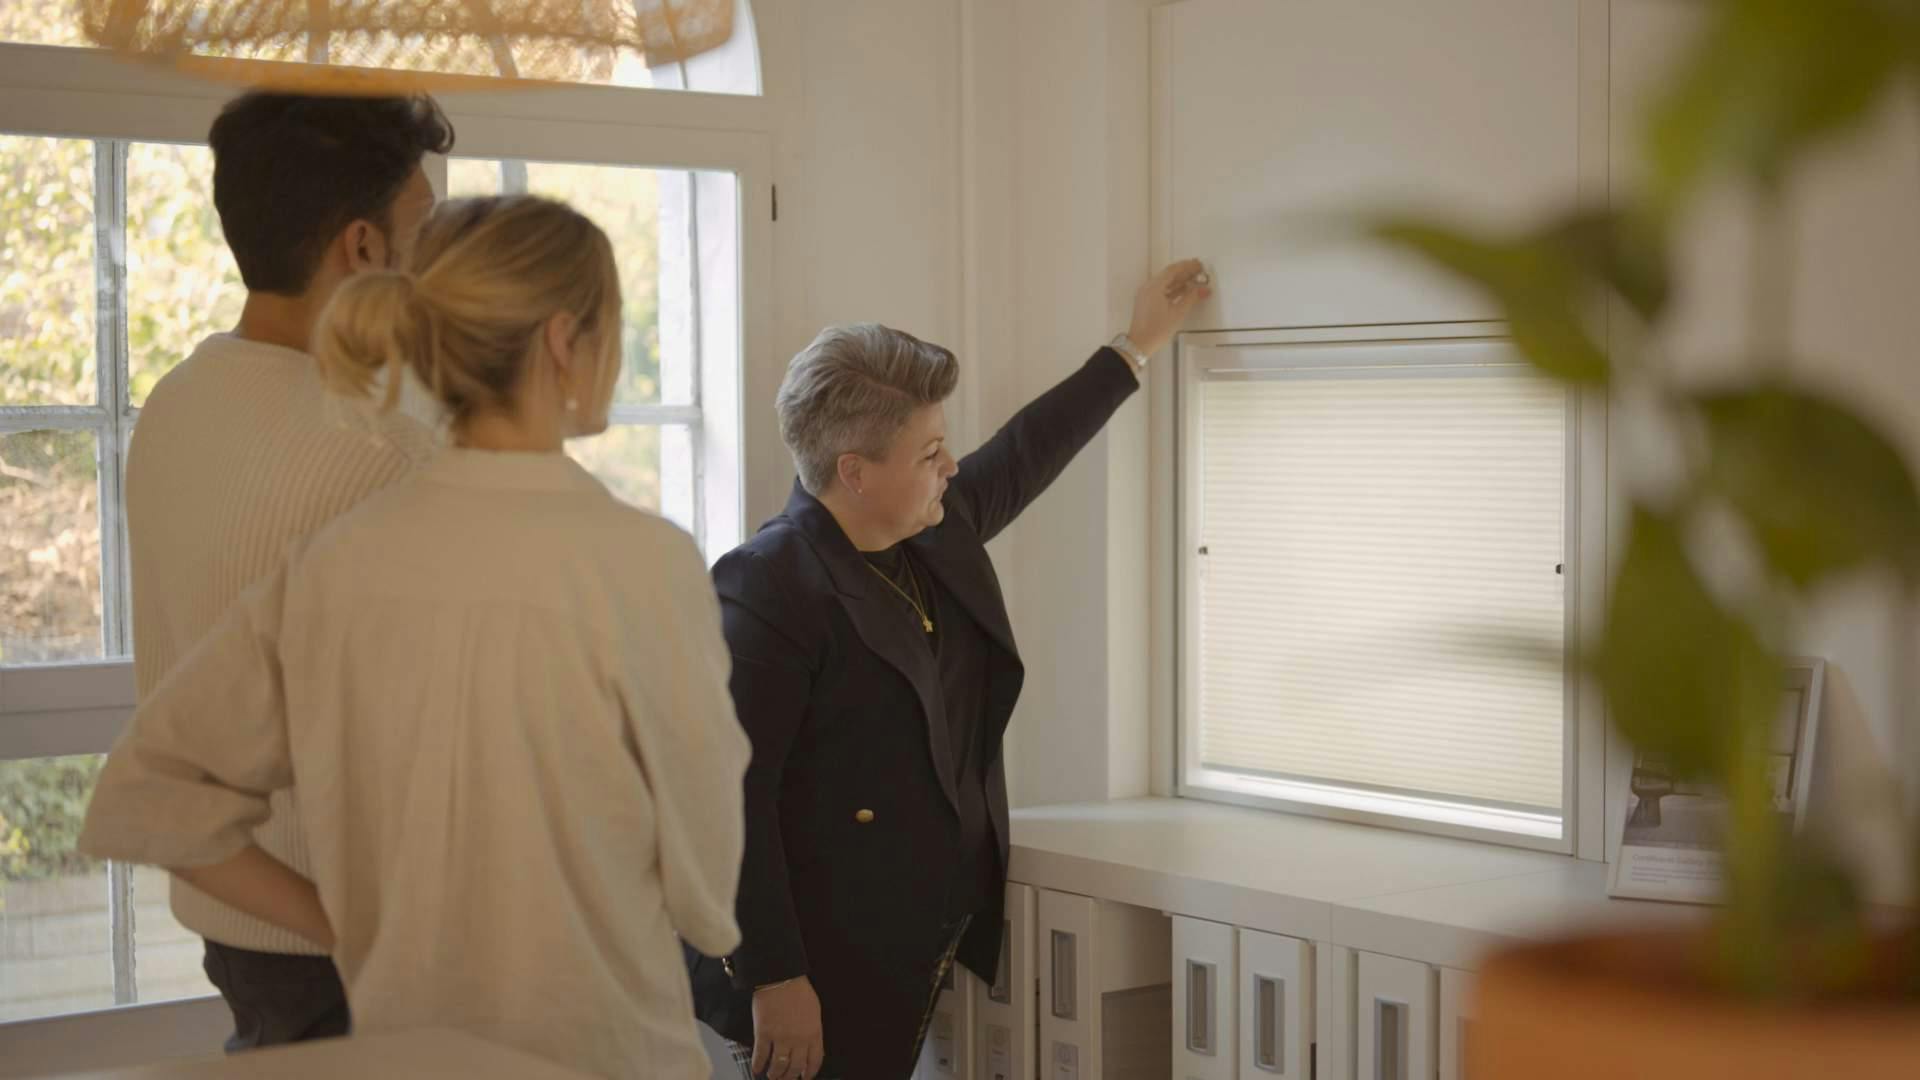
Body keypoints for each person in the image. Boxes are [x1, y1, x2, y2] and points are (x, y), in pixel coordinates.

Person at [82, 195, 751, 1079]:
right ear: (562, 341)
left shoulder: (335, 564)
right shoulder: (645, 563)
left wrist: (350, 926)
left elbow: (146, 796)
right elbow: (707, 895)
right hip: (607, 1052)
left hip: (408, 1054)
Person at [688, 260, 1211, 1079]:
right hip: (814, 961)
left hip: (915, 937)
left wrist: (1136, 346)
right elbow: (730, 798)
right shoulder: (768, 583)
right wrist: (775, 975)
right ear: (854, 472)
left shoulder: (932, 527)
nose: (953, 465)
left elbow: (1027, 450)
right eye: (931, 451)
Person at [123, 90, 452, 1049]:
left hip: (238, 909)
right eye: (420, 230)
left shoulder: (177, 403)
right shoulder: (389, 443)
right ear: (361, 249)